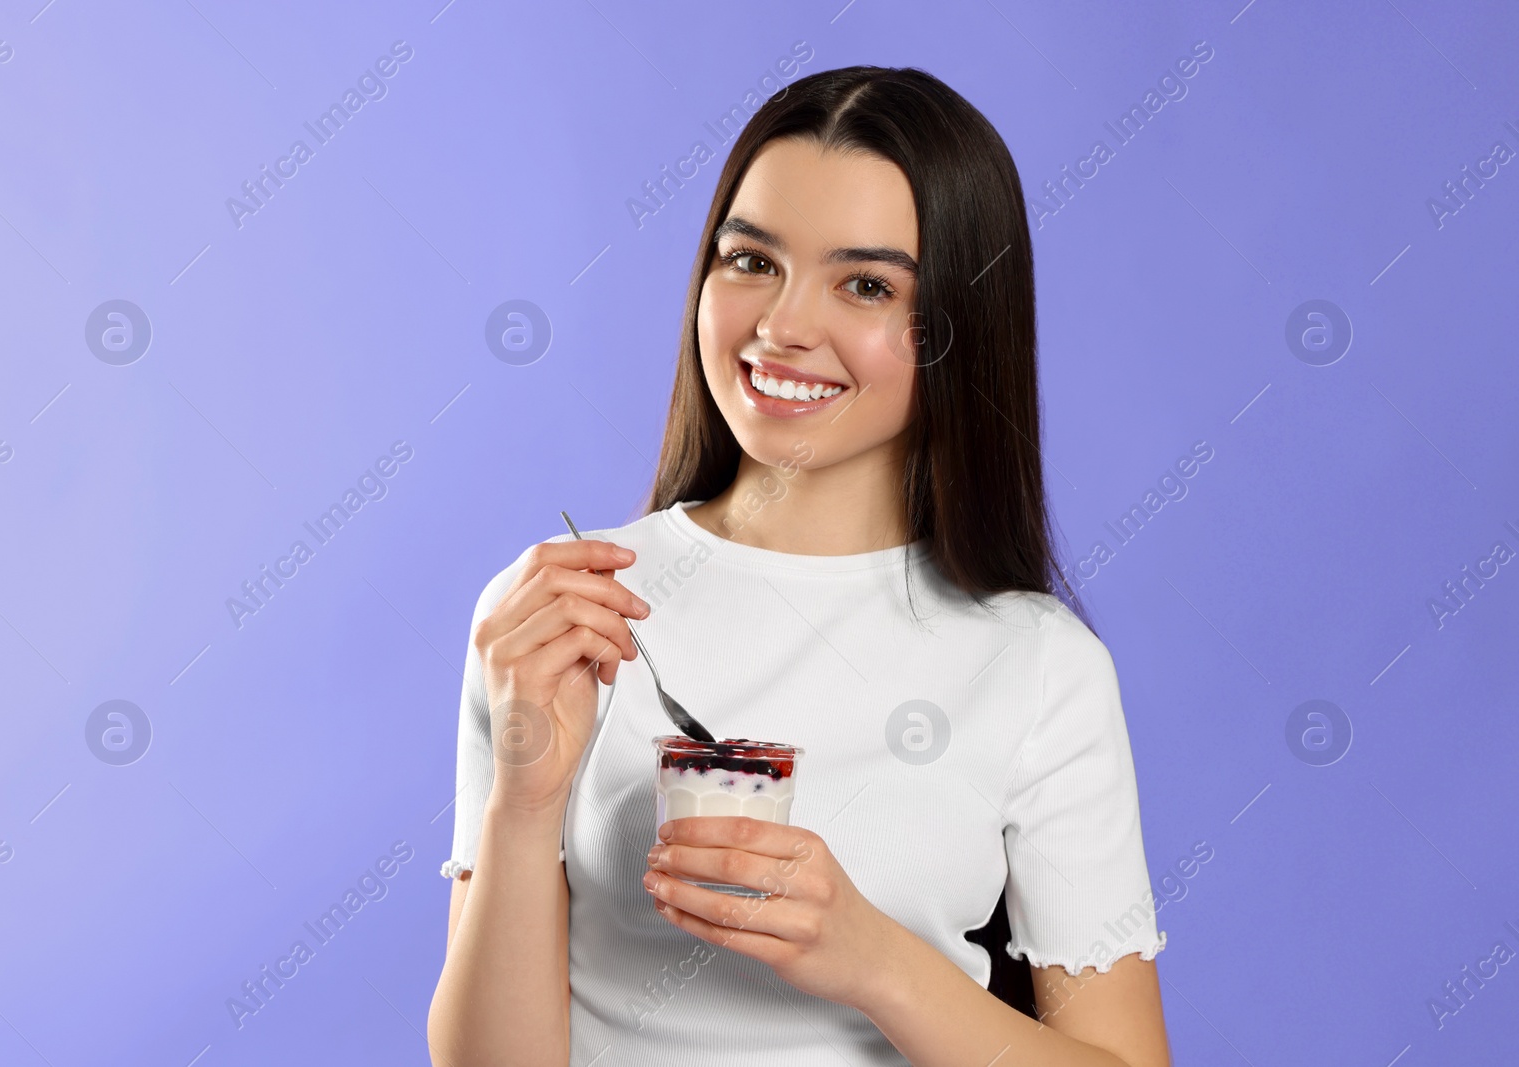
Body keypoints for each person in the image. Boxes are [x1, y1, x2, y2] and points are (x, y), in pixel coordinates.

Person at [427, 65, 1170, 1067]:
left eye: (865, 283)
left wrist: (871, 957)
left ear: (959, 326)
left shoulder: (1040, 666)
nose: (782, 326)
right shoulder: (563, 611)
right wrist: (523, 803)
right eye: (750, 261)